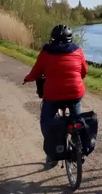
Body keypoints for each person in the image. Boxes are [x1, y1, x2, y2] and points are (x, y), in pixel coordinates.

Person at [24, 25, 88, 168]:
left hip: (53, 96)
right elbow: (84, 72)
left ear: (52, 38)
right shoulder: (78, 50)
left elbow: (35, 72)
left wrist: (27, 78)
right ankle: (80, 147)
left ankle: (53, 154)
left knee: (46, 121)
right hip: (75, 93)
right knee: (77, 120)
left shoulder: (46, 53)